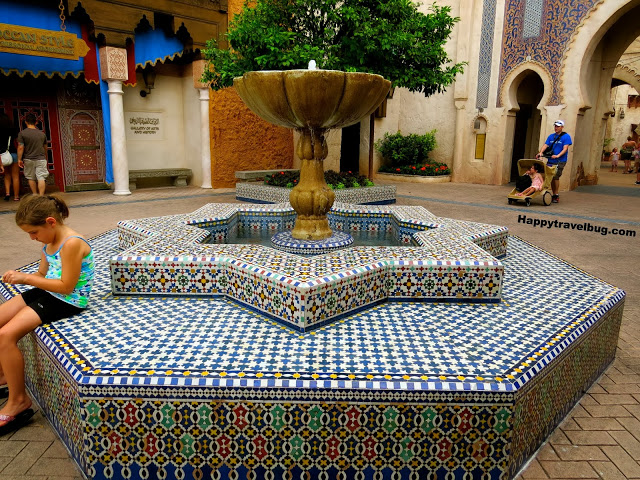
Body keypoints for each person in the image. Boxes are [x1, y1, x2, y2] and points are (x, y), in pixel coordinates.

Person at [0, 195, 94, 435]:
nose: (32, 238)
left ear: (51, 221)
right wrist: (24, 278)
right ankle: (3, 376)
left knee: (5, 336)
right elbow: (42, 275)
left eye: (34, 232)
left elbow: (66, 287)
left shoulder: (72, 243)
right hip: (48, 291)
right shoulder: (48, 241)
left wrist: (24, 278)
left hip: (67, 300)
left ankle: (18, 400)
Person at [536, 119, 572, 203]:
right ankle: (552, 193)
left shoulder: (566, 136)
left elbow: (565, 148)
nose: (556, 128)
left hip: (560, 160)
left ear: (562, 127)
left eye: (558, 126)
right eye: (555, 126)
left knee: (555, 176)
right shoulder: (551, 136)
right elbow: (546, 145)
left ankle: (556, 195)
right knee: (550, 176)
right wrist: (540, 152)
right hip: (551, 160)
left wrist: (558, 155)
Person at [17, 113, 48, 196]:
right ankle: (41, 196)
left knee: (31, 177)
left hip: (28, 158)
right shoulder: (42, 134)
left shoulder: (22, 133)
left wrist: (19, 159)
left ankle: (34, 194)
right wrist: (45, 157)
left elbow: (20, 147)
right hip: (41, 158)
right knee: (41, 177)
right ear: (36, 122)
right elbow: (45, 147)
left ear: (26, 122)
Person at [0, 112, 20, 201]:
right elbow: (18, 142)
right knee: (15, 176)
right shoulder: (13, 130)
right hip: (14, 153)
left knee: (7, 174)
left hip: (4, 154)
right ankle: (16, 196)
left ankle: (7, 194)